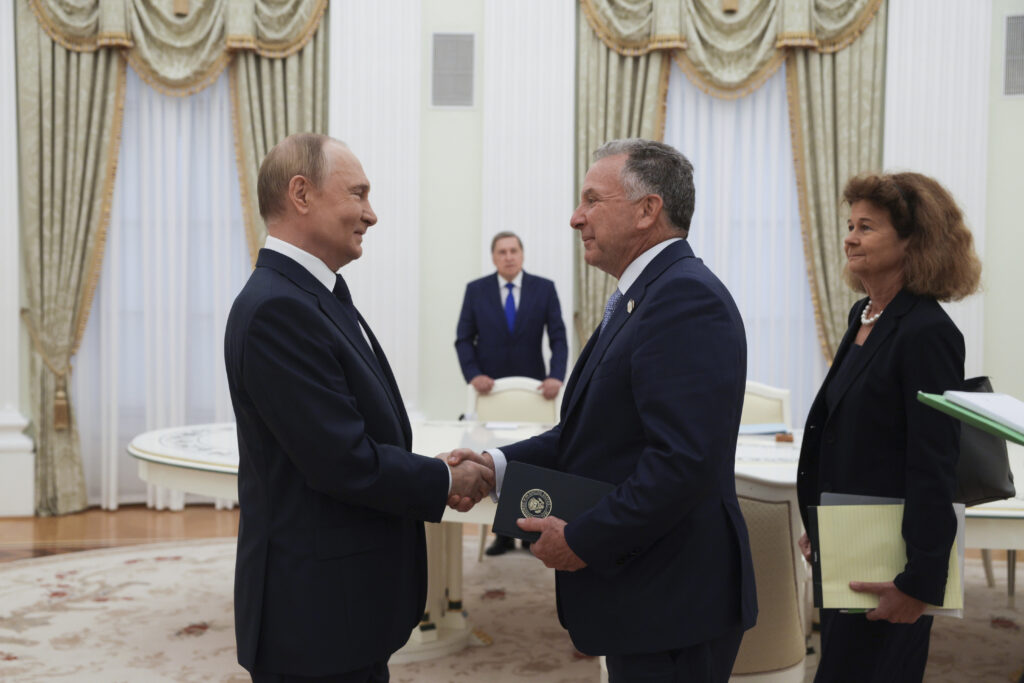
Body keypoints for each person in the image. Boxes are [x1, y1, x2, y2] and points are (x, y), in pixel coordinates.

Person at [449, 139, 757, 682]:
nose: (575, 217)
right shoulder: (644, 297)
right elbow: (590, 434)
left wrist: (583, 539)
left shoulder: (685, 300)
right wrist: (493, 466)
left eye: (592, 200)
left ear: (647, 211)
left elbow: (681, 463)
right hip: (650, 592)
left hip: (674, 599)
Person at [223, 133, 493, 682]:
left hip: (339, 609)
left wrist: (432, 468)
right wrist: (443, 482)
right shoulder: (279, 308)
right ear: (301, 194)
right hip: (314, 618)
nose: (371, 214)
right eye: (358, 194)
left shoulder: (313, 295)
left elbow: (353, 434)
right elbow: (341, 461)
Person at [796, 172, 982, 682]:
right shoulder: (865, 314)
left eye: (867, 227)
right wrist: (822, 522)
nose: (850, 237)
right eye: (850, 225)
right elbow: (845, 435)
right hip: (849, 543)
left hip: (891, 560)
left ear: (912, 243)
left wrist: (920, 581)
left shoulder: (928, 333)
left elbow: (932, 461)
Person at [455, 231, 568, 555]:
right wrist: (473, 375)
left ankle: (531, 531)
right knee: (492, 459)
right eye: (502, 252)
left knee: (530, 459)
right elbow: (464, 339)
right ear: (493, 257)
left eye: (513, 250)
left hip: (534, 395)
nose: (508, 256)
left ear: (522, 254)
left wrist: (556, 376)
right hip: (491, 397)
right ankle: (502, 534)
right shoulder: (476, 291)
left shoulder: (543, 289)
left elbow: (558, 337)